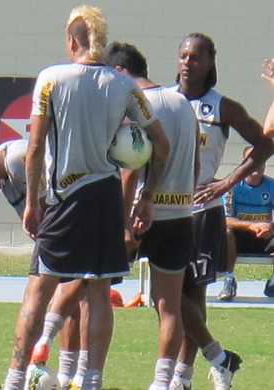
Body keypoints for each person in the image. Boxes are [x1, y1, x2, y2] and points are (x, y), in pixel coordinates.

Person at [2, 5, 170, 390]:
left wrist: (33, 201)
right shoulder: (123, 83)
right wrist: (147, 197)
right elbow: (160, 141)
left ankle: (13, 379)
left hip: (65, 196)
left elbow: (35, 144)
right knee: (97, 289)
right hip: (107, 197)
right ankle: (91, 380)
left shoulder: (51, 78)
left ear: (71, 39)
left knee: (39, 288)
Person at [170, 32, 274, 390]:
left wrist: (227, 182)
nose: (187, 62)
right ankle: (218, 358)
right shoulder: (163, 101)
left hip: (203, 210)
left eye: (196, 57)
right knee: (164, 295)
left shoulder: (221, 106)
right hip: (166, 208)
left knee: (192, 295)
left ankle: (182, 377)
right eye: (183, 55)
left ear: (210, 62)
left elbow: (265, 144)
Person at [0, 139, 88, 389]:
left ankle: (29, 365)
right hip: (58, 233)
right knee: (71, 302)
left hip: (63, 229)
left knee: (37, 297)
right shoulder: (4, 171)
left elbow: (53, 203)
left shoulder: (16, 160)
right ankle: (68, 374)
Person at [105, 42, 200, 390]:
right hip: (180, 212)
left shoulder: (136, 104)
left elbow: (130, 170)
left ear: (120, 74)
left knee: (94, 294)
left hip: (142, 215)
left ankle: (82, 371)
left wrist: (123, 224)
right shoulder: (183, 103)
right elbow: (196, 165)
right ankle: (163, 382)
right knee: (170, 306)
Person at [218, 146, 274, 300]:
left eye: (260, 159)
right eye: (252, 159)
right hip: (239, 238)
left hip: (264, 236)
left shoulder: (272, 186)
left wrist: (271, 226)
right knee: (227, 231)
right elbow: (225, 219)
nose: (257, 163)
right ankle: (229, 281)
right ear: (244, 163)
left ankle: (273, 283)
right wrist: (250, 225)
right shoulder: (232, 187)